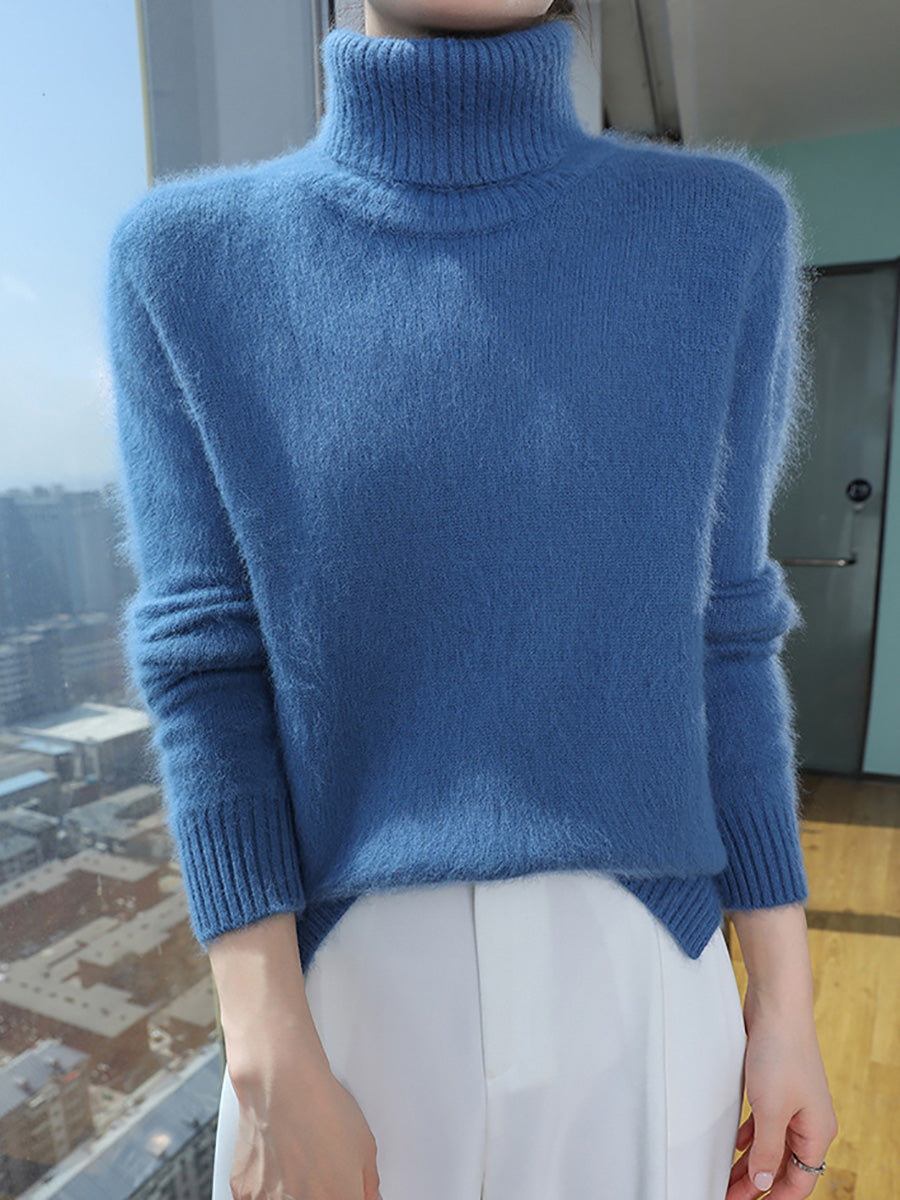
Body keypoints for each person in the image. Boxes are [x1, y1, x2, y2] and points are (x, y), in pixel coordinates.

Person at [103, 1, 839, 1197]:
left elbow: (726, 633)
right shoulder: (184, 261)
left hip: (649, 997)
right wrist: (265, 1047)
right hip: (335, 1020)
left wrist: (787, 1000)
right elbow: (207, 669)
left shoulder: (721, 232)